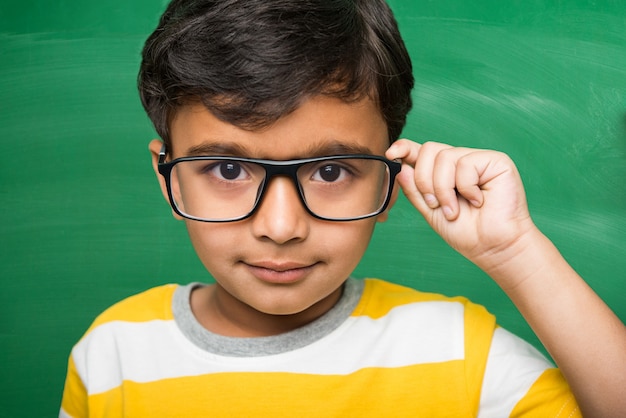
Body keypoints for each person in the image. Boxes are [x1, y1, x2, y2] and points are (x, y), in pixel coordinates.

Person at [60, 0, 626, 416]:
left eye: (330, 171)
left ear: (390, 179)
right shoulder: (113, 351)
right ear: (169, 179)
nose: (281, 228)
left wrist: (517, 254)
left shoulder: (459, 351)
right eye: (228, 169)